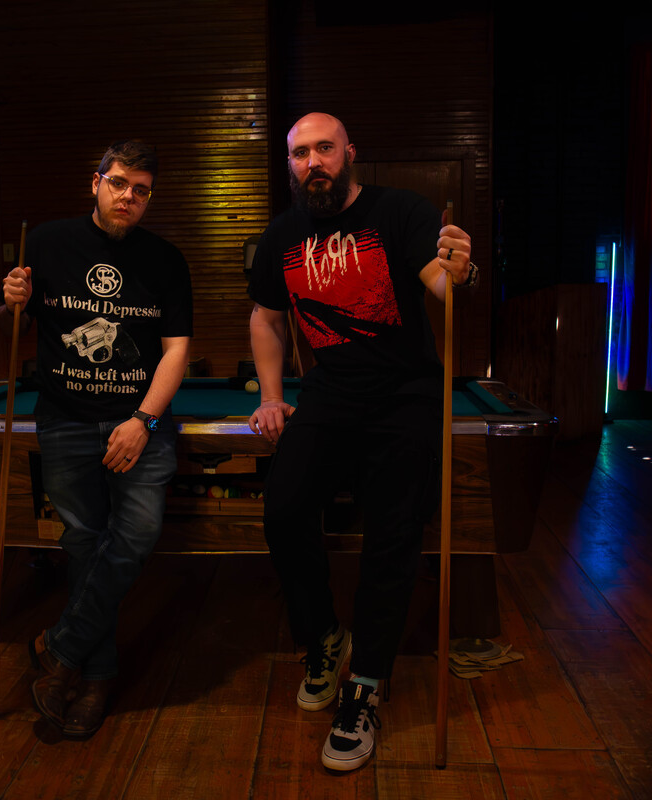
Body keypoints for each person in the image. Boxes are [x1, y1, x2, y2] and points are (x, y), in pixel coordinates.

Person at [247, 112, 475, 771]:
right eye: (300, 153)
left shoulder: (400, 211)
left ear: (350, 153)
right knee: (284, 510)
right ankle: (324, 638)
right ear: (291, 165)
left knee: (392, 537)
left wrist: (459, 270)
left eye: (324, 148)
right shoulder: (282, 234)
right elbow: (266, 318)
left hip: (406, 394)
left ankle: (366, 686)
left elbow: (439, 282)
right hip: (329, 392)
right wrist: (270, 395)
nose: (312, 161)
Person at [0, 140, 192, 738]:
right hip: (64, 420)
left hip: (139, 422)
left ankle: (59, 647)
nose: (128, 196)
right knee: (83, 543)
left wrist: (143, 420)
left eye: (141, 190)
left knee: (136, 535)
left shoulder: (165, 259)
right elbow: (12, 326)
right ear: (96, 181)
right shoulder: (46, 243)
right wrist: (11, 304)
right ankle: (97, 675)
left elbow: (176, 351)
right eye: (119, 183)